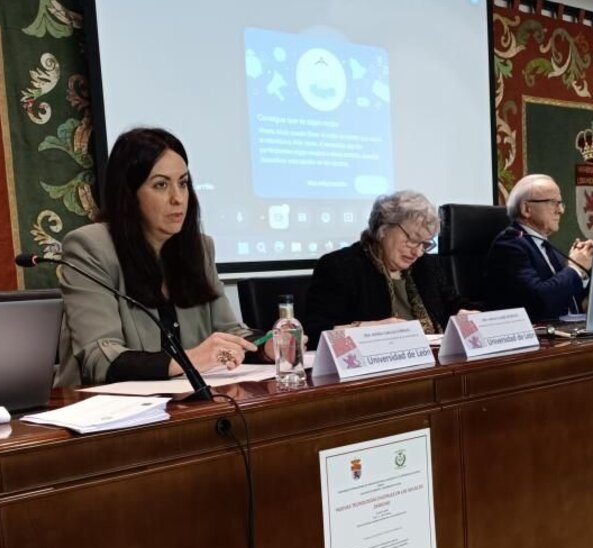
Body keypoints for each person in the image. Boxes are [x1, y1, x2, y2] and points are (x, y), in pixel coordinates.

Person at [57, 127, 271, 386]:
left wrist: (267, 346)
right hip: (105, 409)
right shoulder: (90, 247)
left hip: (184, 403)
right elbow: (99, 357)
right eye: (161, 185)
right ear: (129, 193)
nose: (178, 198)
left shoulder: (199, 248)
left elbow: (230, 333)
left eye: (182, 183)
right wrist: (187, 360)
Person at [302, 190, 475, 344]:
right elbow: (314, 333)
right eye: (413, 240)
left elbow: (453, 304)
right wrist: (367, 330)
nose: (418, 253)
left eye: (424, 244)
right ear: (384, 228)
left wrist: (468, 314)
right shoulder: (340, 267)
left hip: (433, 364)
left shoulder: (427, 265)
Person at [483, 174, 593, 321]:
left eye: (561, 203)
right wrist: (575, 269)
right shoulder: (509, 245)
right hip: (538, 338)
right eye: (553, 203)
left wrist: (584, 271)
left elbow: (567, 296)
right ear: (526, 209)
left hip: (569, 334)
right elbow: (540, 300)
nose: (560, 210)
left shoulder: (545, 245)